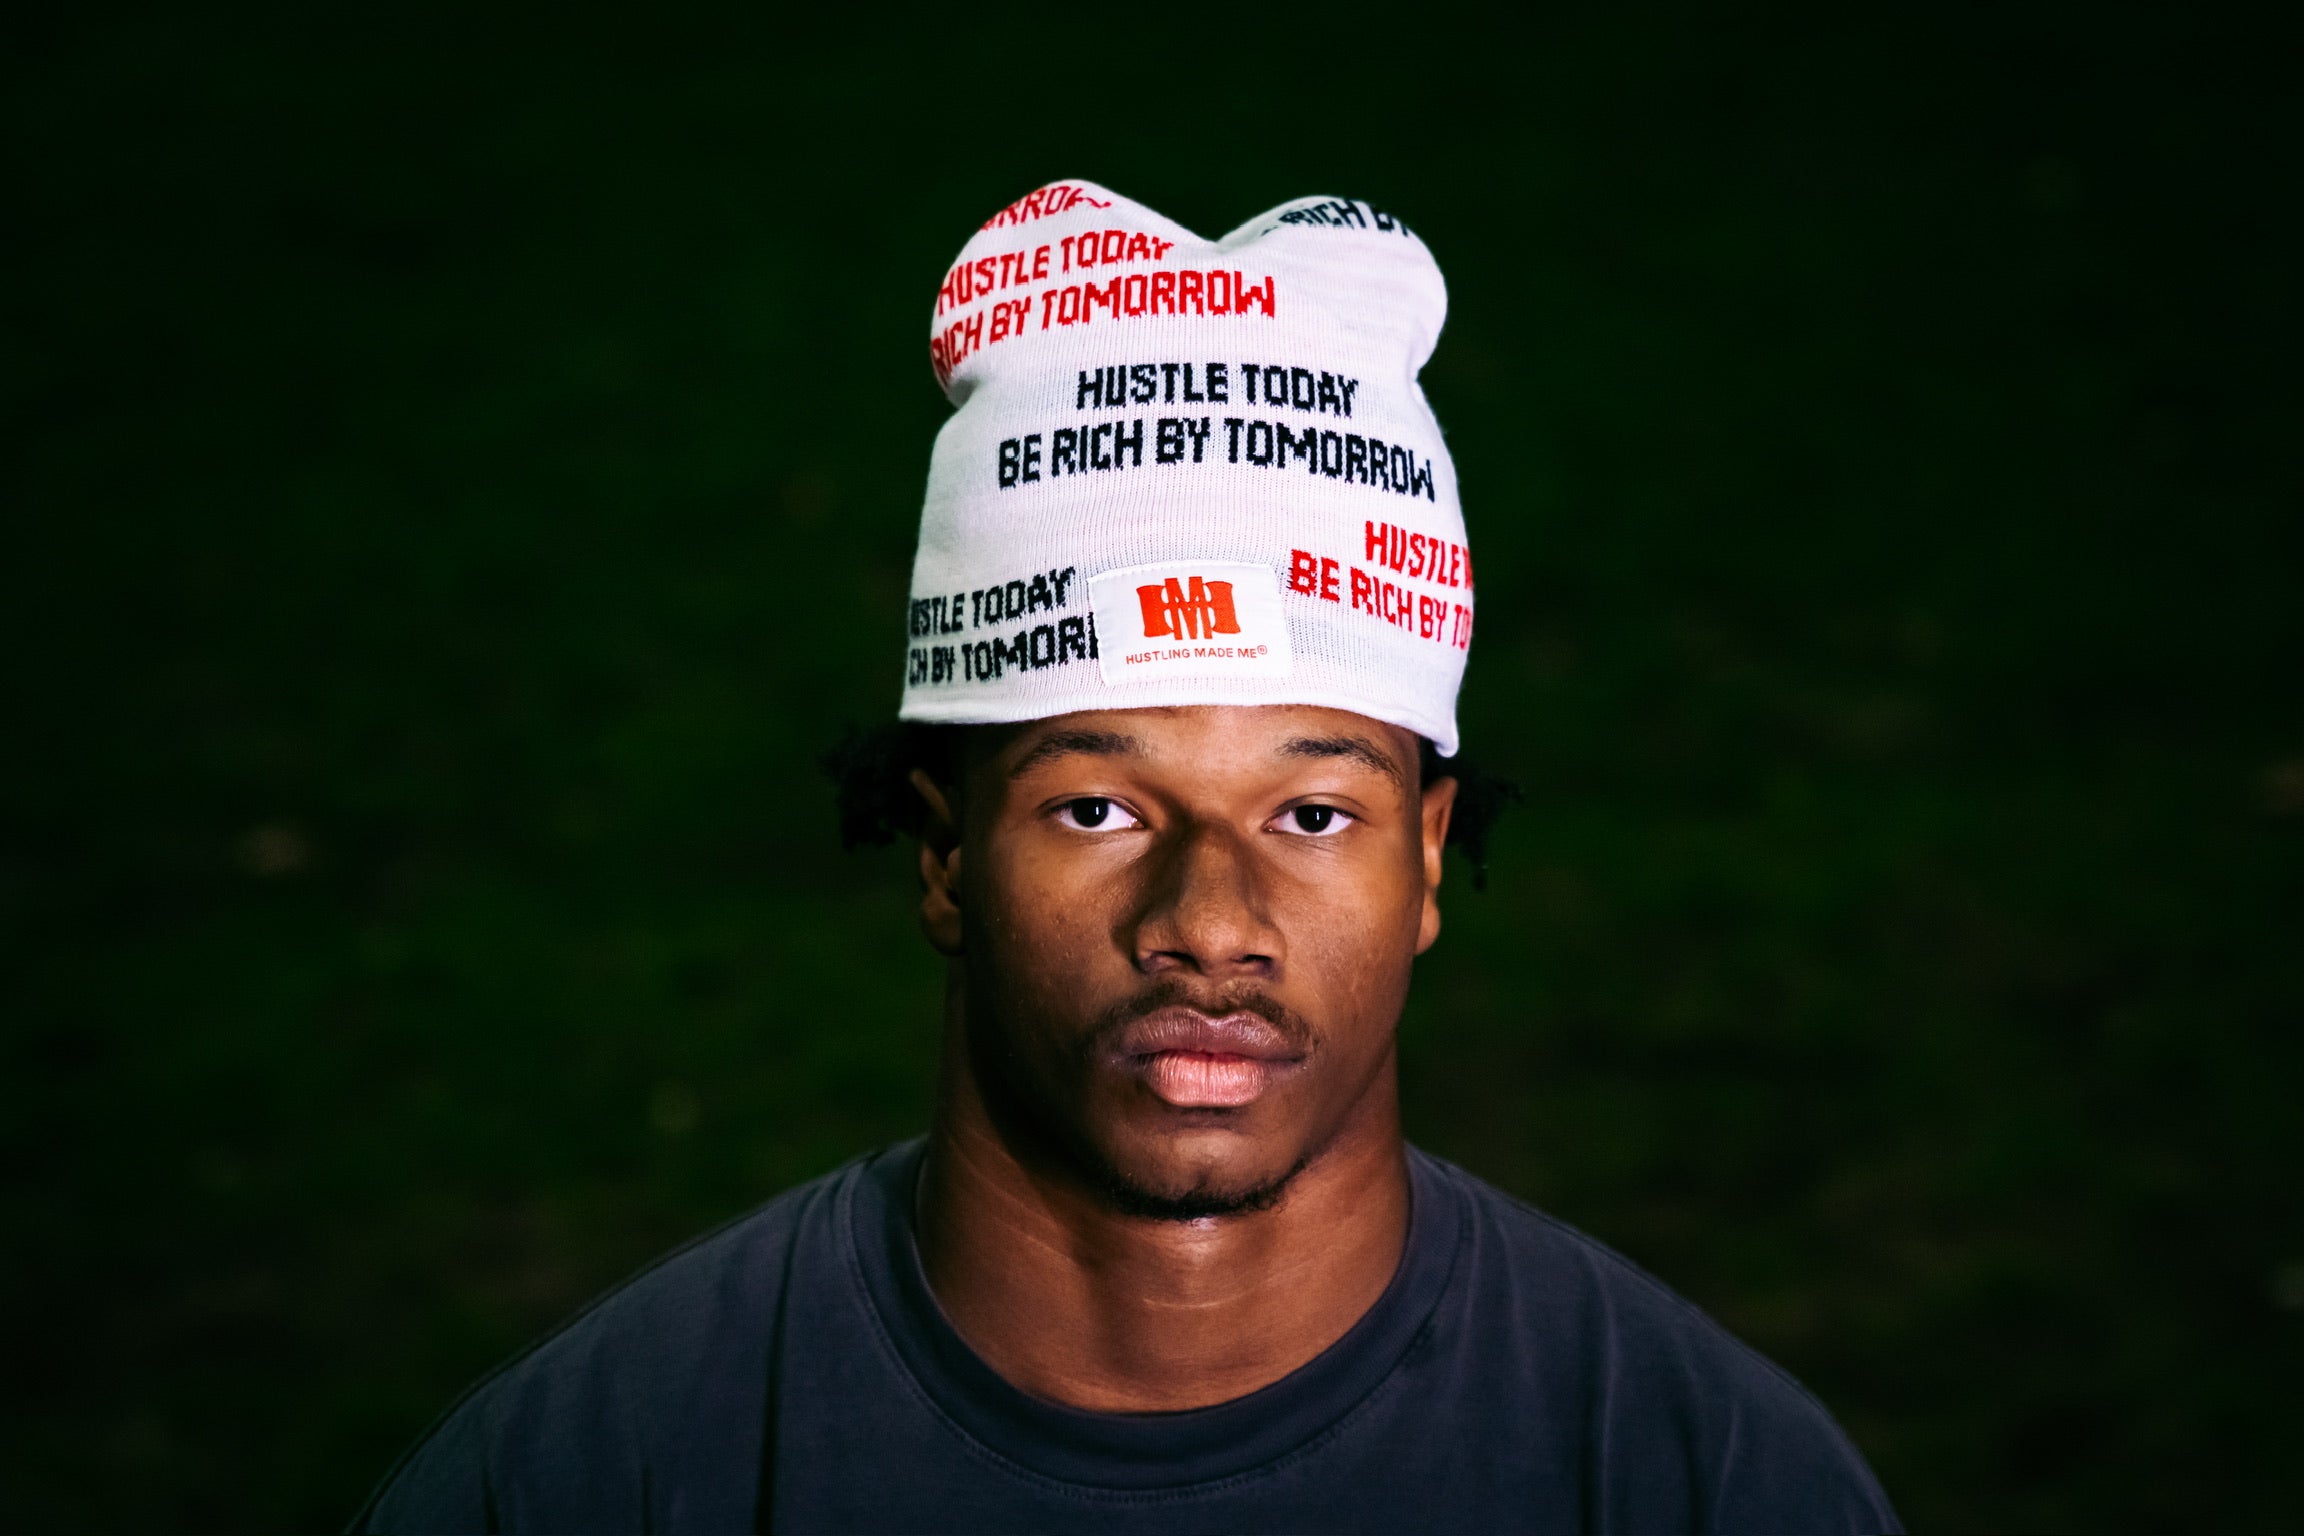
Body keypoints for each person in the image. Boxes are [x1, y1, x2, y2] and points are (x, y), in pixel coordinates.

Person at [357, 181, 1901, 1535]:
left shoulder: (1706, 1486)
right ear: (946, 851)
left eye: (1313, 814)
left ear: (1429, 858)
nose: (1209, 923)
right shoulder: (592, 1479)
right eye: (1099, 806)